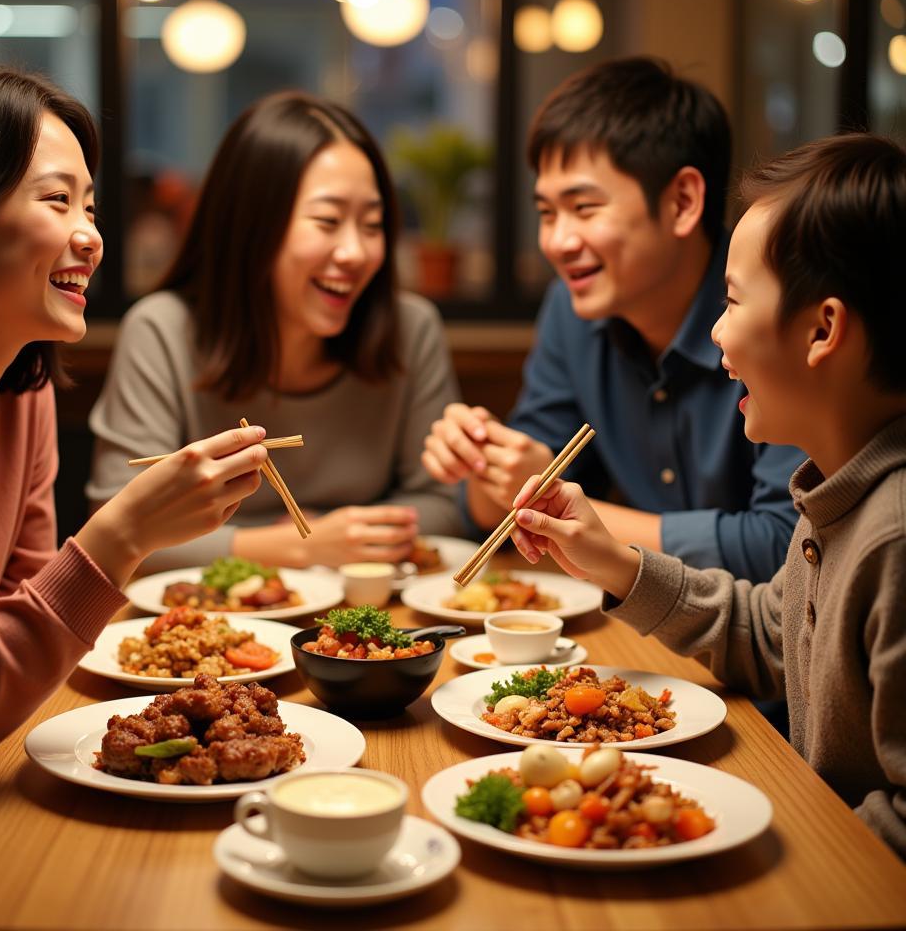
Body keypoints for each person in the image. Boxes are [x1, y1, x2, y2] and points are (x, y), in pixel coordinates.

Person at [0, 62, 268, 847]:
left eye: (90, 205)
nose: (91, 235)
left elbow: (16, 640)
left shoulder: (20, 395)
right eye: (57, 200)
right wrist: (119, 537)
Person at [509, 133, 906, 859]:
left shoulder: (894, 535)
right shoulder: (834, 491)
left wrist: (781, 850)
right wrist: (618, 567)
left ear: (823, 329)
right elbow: (770, 636)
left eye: (731, 301)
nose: (716, 333)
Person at [423, 58, 804, 583]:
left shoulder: (777, 311)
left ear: (682, 201)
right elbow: (494, 516)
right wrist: (492, 466)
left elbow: (787, 546)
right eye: (546, 212)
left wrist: (572, 522)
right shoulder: (573, 309)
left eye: (583, 208)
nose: (557, 242)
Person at [87, 91, 461, 571]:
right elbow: (116, 522)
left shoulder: (411, 328)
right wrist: (297, 546)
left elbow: (445, 506)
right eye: (327, 221)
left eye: (372, 224)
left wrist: (343, 535)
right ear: (252, 225)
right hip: (208, 618)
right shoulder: (163, 330)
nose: (355, 252)